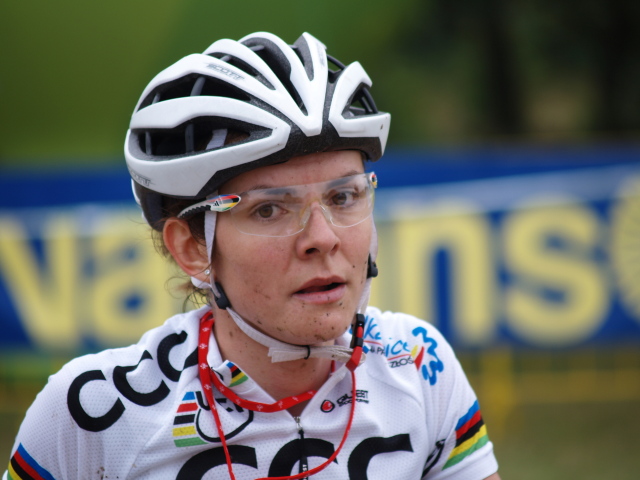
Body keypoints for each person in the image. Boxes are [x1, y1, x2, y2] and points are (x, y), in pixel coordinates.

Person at [4, 32, 500, 480]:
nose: (323, 238)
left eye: (343, 196)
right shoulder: (92, 411)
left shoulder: (419, 364)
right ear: (193, 248)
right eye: (269, 210)